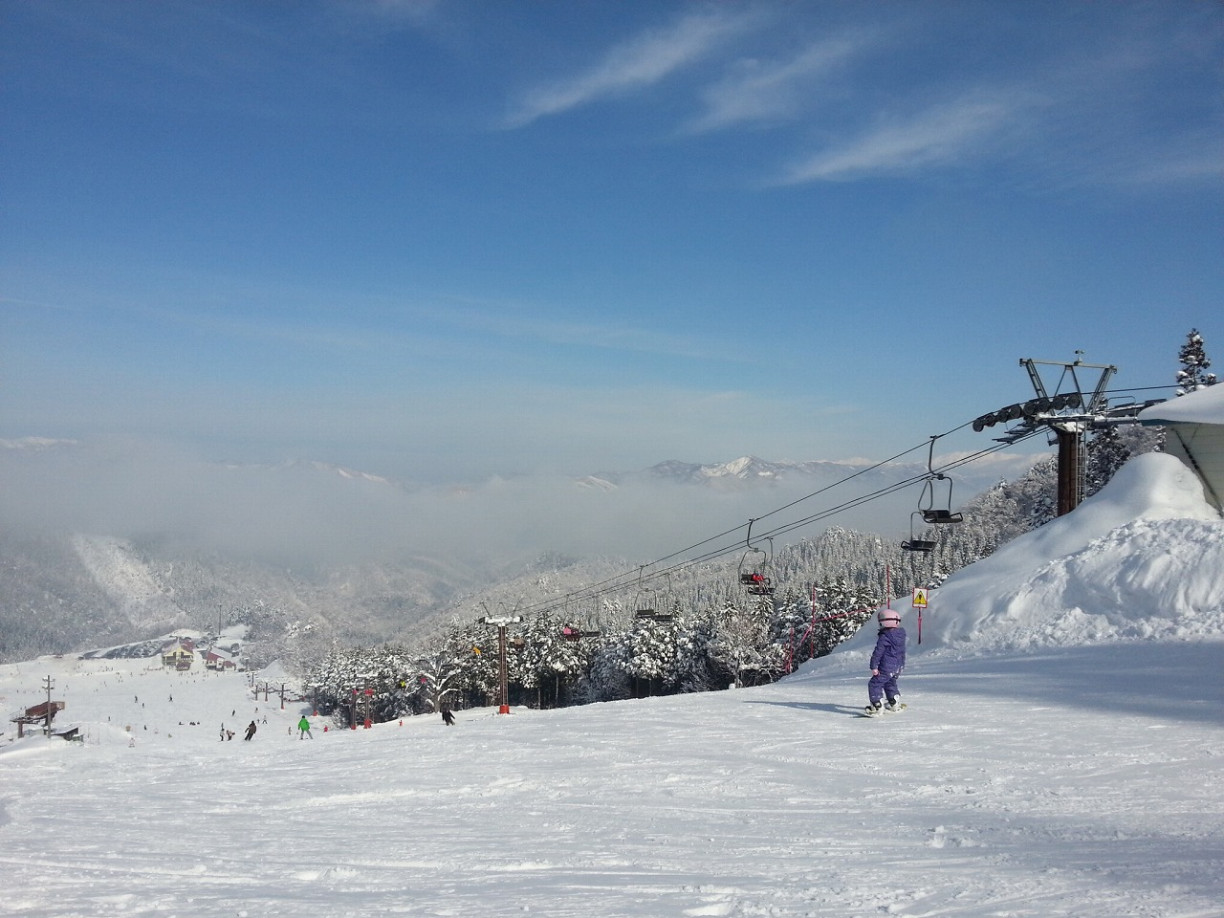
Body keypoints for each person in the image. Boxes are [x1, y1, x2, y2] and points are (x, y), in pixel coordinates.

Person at [866, 608, 906, 716]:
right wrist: (901, 665)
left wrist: (873, 666)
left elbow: (878, 652)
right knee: (890, 682)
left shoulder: (885, 637)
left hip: (886, 667)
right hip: (897, 666)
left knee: (874, 684)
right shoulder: (900, 635)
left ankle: (877, 705)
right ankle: (894, 702)